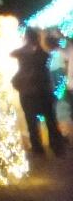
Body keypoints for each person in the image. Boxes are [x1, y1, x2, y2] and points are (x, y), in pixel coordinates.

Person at [10, 28, 66, 157]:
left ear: (26, 38)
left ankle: (37, 148)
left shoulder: (22, 53)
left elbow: (12, 53)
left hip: (27, 90)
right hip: (43, 89)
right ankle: (56, 147)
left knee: (31, 120)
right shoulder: (43, 53)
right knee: (50, 119)